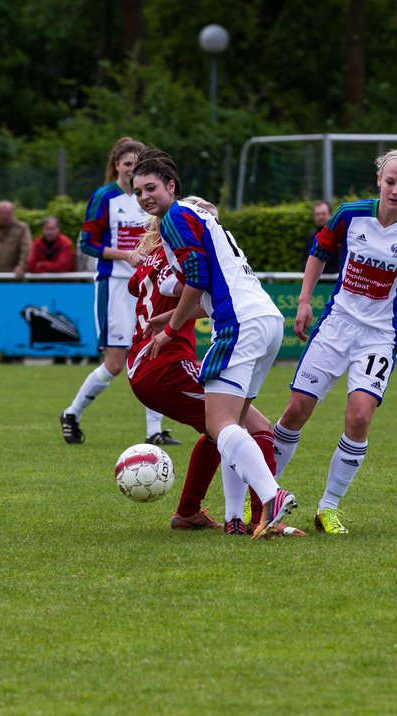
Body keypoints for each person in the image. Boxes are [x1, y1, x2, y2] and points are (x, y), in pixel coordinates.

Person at [267, 148, 397, 536]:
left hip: (378, 336)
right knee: (296, 409)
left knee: (360, 417)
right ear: (379, 180)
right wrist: (303, 302)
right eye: (390, 181)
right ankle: (262, 496)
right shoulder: (349, 213)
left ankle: (328, 508)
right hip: (336, 327)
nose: (396, 190)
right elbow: (319, 253)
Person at [139, 149, 297, 539]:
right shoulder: (209, 225)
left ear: (172, 187)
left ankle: (271, 496)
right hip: (267, 320)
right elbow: (207, 283)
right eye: (137, 190)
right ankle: (234, 518)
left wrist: (171, 330)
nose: (144, 196)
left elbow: (195, 277)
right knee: (235, 423)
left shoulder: (176, 216)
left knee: (219, 422)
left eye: (151, 188)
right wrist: (173, 317)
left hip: (238, 324)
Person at [62, 136, 177, 448]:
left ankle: (155, 430)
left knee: (152, 353)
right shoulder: (105, 197)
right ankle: (72, 413)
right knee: (115, 363)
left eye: (137, 164)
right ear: (117, 166)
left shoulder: (151, 199)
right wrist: (126, 255)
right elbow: (87, 243)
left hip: (146, 287)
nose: (132, 170)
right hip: (114, 286)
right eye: (127, 164)